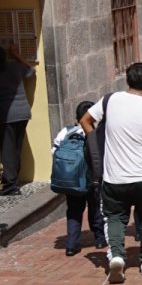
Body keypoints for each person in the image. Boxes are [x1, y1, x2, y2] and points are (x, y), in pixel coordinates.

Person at [81, 63, 142, 283]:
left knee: (115, 218)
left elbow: (85, 120)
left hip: (115, 177)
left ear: (127, 80)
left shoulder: (110, 100)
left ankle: (117, 256)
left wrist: (97, 145)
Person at [53, 101, 106, 256]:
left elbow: (54, 152)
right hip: (91, 178)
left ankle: (71, 244)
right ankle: (100, 239)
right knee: (96, 207)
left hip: (71, 180)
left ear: (76, 116)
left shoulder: (65, 132)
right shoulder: (95, 133)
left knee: (74, 210)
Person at [0, 44, 35, 195]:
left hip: (6, 116)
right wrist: (16, 55)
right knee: (16, 148)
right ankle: (13, 180)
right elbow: (31, 71)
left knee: (8, 151)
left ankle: (10, 186)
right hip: (22, 113)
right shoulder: (15, 67)